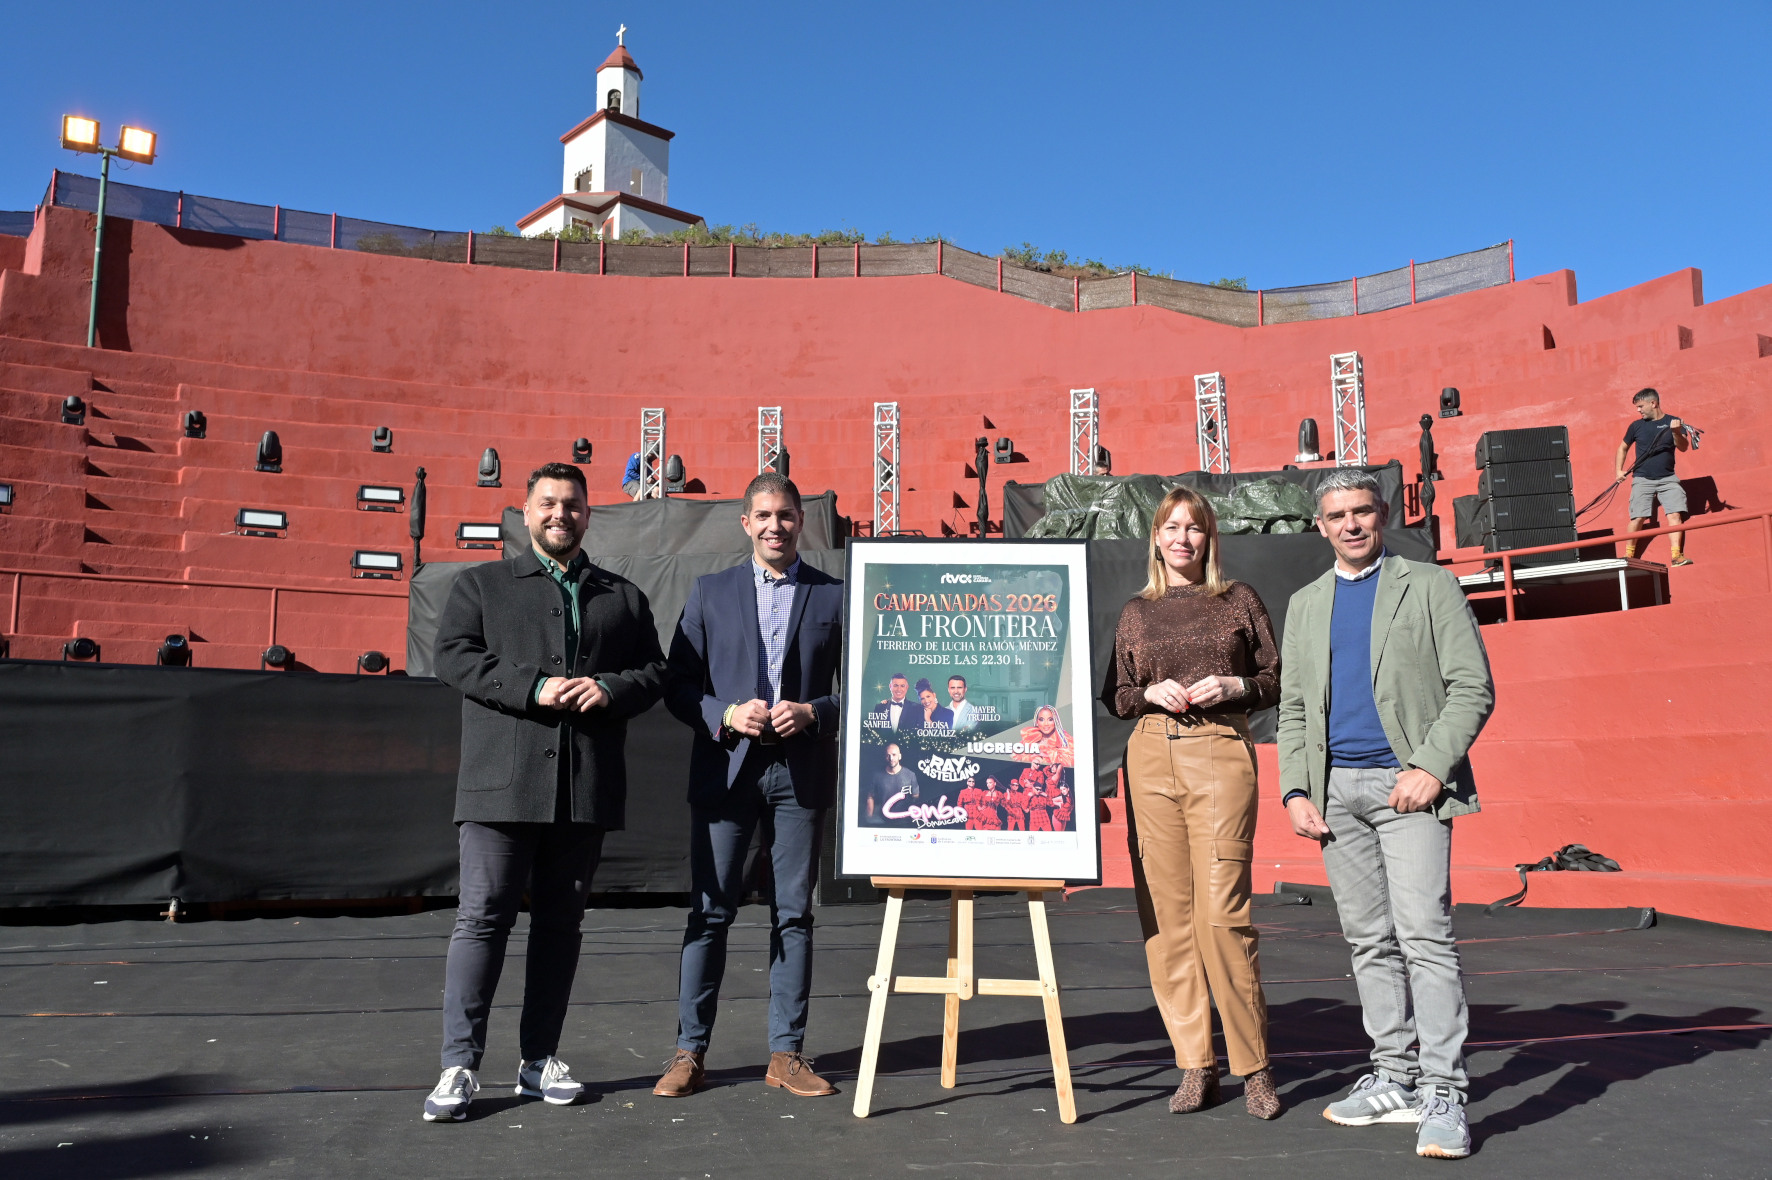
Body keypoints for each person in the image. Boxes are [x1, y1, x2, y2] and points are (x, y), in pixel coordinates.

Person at [425, 462, 666, 1122]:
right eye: (549, 503)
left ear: (588, 514)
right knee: (482, 920)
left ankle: (538, 1060)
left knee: (561, 926)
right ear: (526, 512)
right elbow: (453, 656)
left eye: (573, 505)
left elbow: (654, 672)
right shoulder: (481, 585)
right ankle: (458, 1065)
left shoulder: (623, 596)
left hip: (582, 788)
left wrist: (610, 688)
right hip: (501, 787)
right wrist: (533, 687)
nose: (561, 514)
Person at [1277, 467, 1495, 1160]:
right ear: (1320, 526)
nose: (1352, 524)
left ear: (1383, 515)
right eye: (1338, 515)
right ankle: (1394, 1076)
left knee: (1425, 937)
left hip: (1410, 788)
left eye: (1363, 511)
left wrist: (1431, 767)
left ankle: (1443, 1092)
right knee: (1368, 942)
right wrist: (1296, 790)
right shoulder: (1306, 603)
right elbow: (1293, 707)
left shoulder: (1429, 585)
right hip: (1335, 794)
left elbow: (1472, 686)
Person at [657, 472, 845, 1100]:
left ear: (801, 522)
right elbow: (678, 686)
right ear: (745, 523)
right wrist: (726, 714)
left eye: (785, 515)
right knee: (710, 912)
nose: (775, 526)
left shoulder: (834, 596)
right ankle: (689, 1053)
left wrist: (815, 711)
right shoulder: (709, 592)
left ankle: (786, 1054)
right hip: (726, 770)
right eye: (763, 515)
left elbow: (869, 686)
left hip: (799, 775)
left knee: (794, 914)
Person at [1103, 484, 1282, 1121]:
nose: (1183, 538)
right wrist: (1149, 695)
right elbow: (1119, 694)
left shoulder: (1238, 599)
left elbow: (1274, 677)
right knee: (1167, 919)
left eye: (1195, 527)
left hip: (1220, 750)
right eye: (1172, 527)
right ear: (1156, 538)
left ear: (1210, 538)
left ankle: (1254, 1067)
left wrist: (1235, 684)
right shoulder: (1136, 612)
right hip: (1151, 754)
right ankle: (1195, 1063)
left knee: (1222, 916)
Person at [1616, 387, 1694, 565]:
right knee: (1638, 517)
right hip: (1642, 478)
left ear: (1653, 403)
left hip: (1668, 478)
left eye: (1641, 406)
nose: (1638, 410)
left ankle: (1676, 556)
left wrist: (1676, 432)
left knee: (1675, 515)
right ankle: (1628, 555)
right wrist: (1618, 471)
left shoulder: (1673, 422)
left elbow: (1683, 447)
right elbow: (1622, 448)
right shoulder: (1636, 426)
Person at [866, 742, 920, 823]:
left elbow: (915, 796)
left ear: (899, 756)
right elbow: (870, 797)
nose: (891, 758)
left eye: (894, 755)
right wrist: (869, 817)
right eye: (888, 755)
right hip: (882, 820)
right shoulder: (877, 776)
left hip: (904, 820)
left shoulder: (910, 775)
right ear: (885, 757)